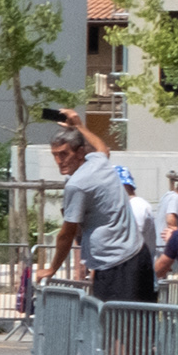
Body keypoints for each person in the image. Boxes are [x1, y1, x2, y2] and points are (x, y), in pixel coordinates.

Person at [43, 111, 149, 302]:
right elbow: (102, 147)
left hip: (116, 264)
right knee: (140, 318)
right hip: (137, 254)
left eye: (64, 154)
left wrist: (52, 269)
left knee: (116, 320)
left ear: (80, 153)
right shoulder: (98, 162)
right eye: (55, 155)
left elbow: (67, 234)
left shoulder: (77, 184)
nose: (59, 161)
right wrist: (79, 126)